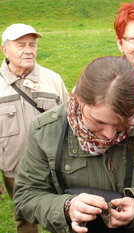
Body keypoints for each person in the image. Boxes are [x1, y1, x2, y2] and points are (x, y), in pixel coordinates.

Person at [13, 56, 134, 233]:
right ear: (80, 100)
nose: (109, 134)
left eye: (122, 123)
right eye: (98, 121)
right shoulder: (46, 131)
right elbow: (26, 195)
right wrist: (66, 208)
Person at [0, 23, 69, 233]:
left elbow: (71, 123)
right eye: (21, 45)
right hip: (15, 170)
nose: (29, 50)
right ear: (5, 50)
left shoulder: (53, 80)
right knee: (24, 217)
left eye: (32, 44)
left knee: (62, 213)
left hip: (55, 167)